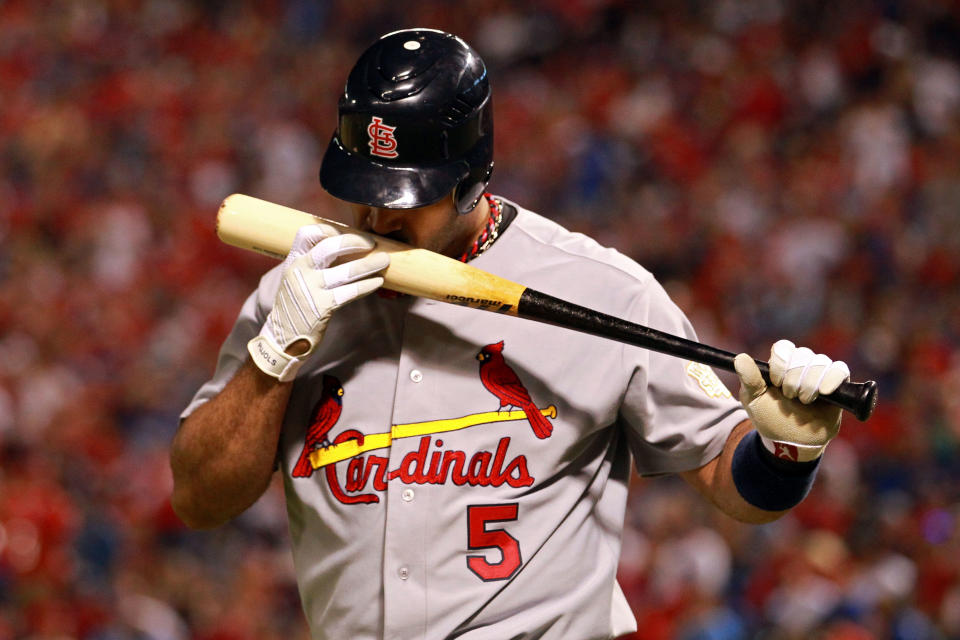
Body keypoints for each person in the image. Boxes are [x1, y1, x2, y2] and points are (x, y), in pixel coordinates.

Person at [170, 28, 851, 640]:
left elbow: (732, 482)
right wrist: (273, 355)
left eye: (405, 196)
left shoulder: (600, 291)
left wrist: (786, 450)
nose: (377, 216)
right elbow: (201, 499)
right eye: (364, 188)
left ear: (471, 179)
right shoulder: (298, 295)